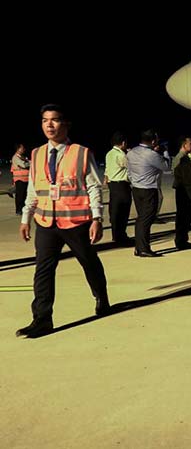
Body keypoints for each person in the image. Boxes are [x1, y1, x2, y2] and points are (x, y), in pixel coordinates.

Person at [16, 104, 110, 338]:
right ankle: (42, 319)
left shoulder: (81, 153)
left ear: (66, 124)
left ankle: (101, 296)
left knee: (89, 262)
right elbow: (33, 189)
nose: (49, 124)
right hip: (46, 222)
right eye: (45, 120)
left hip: (75, 222)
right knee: (43, 270)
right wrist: (26, 217)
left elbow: (93, 187)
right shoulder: (36, 154)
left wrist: (97, 218)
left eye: (55, 120)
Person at [126, 129, 171, 257]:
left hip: (136, 188)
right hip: (149, 189)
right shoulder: (151, 155)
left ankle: (139, 247)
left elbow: (129, 169)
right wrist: (165, 152)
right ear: (153, 141)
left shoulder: (132, 152)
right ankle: (143, 248)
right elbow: (166, 166)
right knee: (146, 219)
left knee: (141, 218)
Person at [104, 132, 132, 244]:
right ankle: (121, 236)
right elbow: (130, 166)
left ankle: (115, 235)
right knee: (123, 212)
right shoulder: (121, 155)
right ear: (123, 143)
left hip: (112, 184)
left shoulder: (109, 153)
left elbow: (107, 169)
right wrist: (130, 154)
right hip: (122, 185)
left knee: (115, 211)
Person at [172, 136, 191, 249]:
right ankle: (181, 240)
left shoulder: (186, 157)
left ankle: (182, 239)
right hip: (184, 190)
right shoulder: (182, 158)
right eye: (190, 144)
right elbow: (186, 178)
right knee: (183, 216)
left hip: (183, 189)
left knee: (184, 216)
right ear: (184, 145)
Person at [11, 143, 30, 215]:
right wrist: (31, 163)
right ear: (18, 149)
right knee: (20, 196)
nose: (24, 149)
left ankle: (23, 209)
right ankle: (18, 210)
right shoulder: (15, 157)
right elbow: (23, 165)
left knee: (24, 195)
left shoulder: (23, 157)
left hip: (25, 179)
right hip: (19, 179)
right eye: (22, 148)